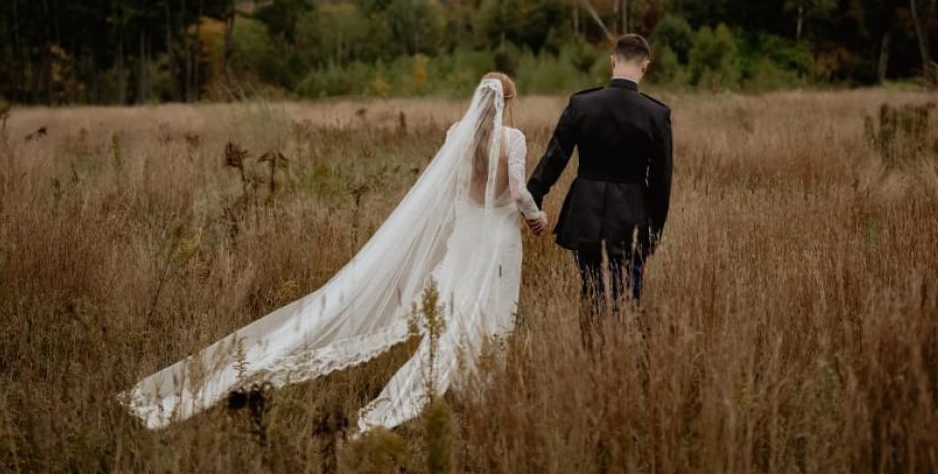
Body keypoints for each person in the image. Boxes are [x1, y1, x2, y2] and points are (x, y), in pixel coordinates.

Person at [120, 73, 547, 433]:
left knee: (454, 305)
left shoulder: (457, 134)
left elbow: (452, 191)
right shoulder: (515, 138)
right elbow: (518, 190)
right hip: (495, 235)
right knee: (489, 306)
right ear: (508, 103)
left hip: (467, 232)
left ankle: (466, 381)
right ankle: (478, 387)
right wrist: (536, 219)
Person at [526, 34, 673, 333]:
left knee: (591, 293)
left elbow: (555, 156)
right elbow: (661, 182)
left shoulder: (582, 104)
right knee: (626, 299)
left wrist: (534, 197)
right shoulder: (656, 115)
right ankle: (620, 356)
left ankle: (592, 353)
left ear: (612, 61)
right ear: (645, 66)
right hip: (632, 219)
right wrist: (653, 235)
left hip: (585, 216)